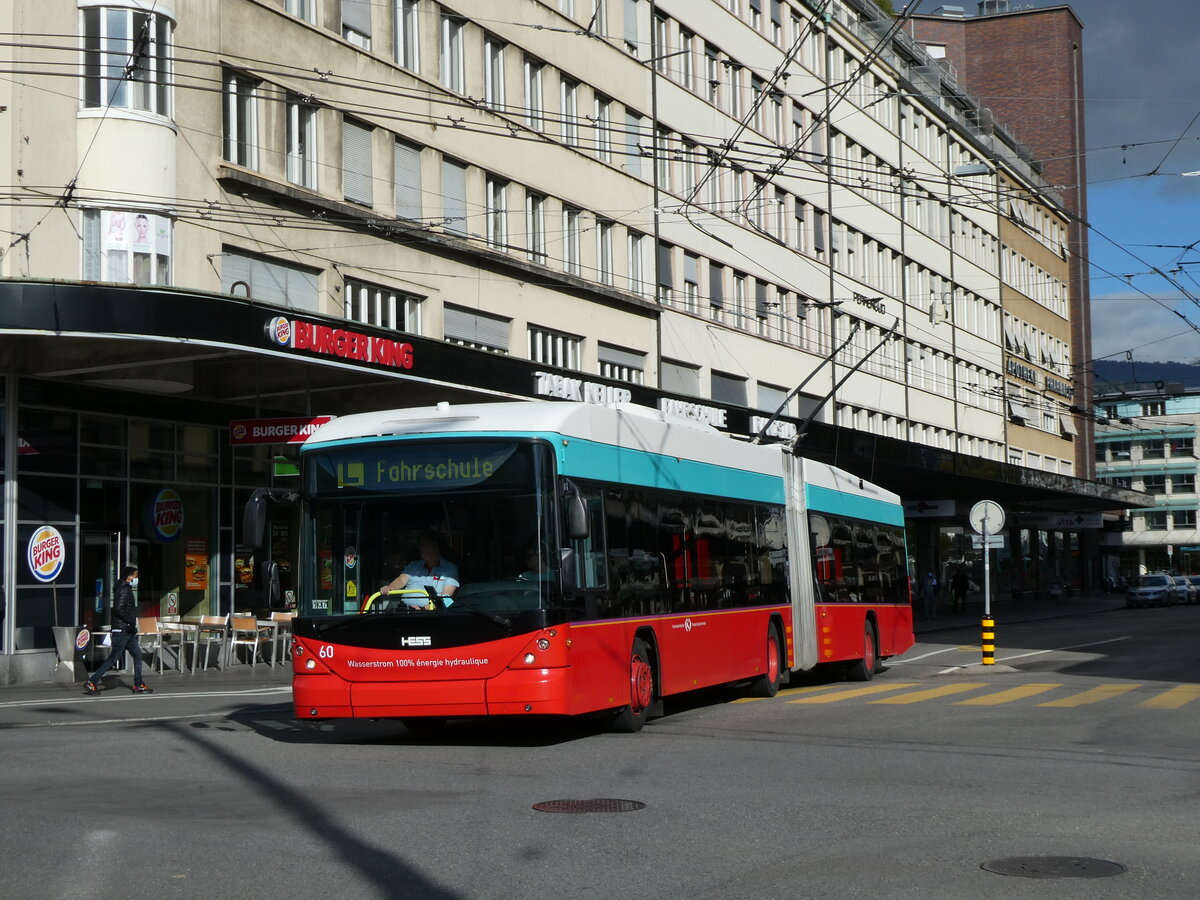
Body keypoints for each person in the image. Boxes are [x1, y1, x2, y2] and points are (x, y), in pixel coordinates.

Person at [85, 567, 152, 694]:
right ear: (129, 577)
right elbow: (119, 609)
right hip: (122, 631)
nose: (137, 578)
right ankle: (92, 682)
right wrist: (130, 621)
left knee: (137, 655)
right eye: (135, 576)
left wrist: (130, 625)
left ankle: (138, 684)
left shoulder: (125, 588)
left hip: (127, 631)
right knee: (113, 658)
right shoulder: (124, 590)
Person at [380, 532, 459, 608]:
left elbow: (446, 597)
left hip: (431, 614)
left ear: (435, 546)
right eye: (420, 545)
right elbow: (401, 580)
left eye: (423, 545)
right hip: (404, 611)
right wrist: (391, 587)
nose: (420, 548)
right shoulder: (414, 565)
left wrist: (425, 609)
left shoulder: (450, 568)